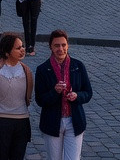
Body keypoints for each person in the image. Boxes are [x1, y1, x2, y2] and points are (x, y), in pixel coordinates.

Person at [34, 29, 93, 160]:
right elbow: (39, 100)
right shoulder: (42, 69)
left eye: (63, 45)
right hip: (52, 121)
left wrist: (77, 96)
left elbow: (88, 93)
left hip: (74, 121)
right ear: (50, 47)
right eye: (56, 45)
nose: (60, 49)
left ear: (68, 45)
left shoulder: (78, 66)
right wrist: (54, 92)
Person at [0, 33, 34, 160]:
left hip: (22, 121)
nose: (22, 50)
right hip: (2, 120)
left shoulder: (26, 71)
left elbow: (28, 98)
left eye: (22, 46)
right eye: (18, 48)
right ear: (7, 52)